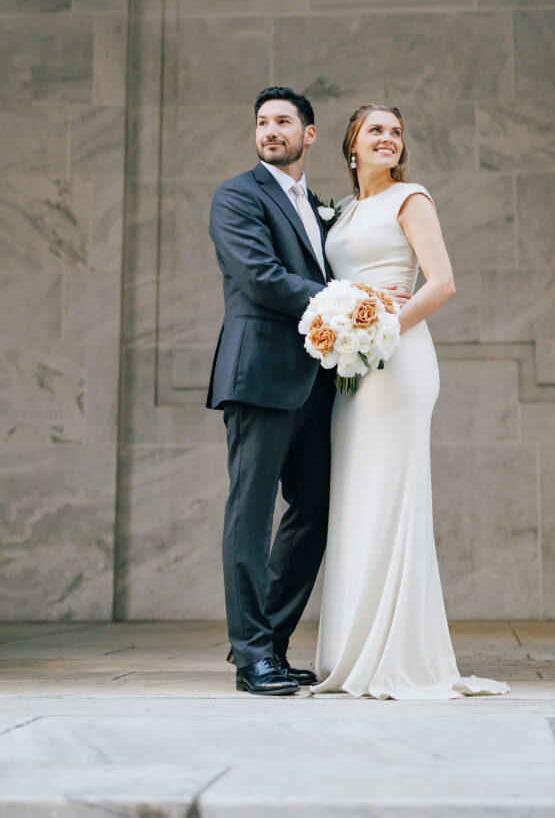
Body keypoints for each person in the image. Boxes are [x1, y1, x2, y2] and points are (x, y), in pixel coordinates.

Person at [312, 103, 510, 700]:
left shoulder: (411, 198)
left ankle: (396, 654)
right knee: (356, 493)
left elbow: (442, 282)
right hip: (353, 364)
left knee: (391, 493)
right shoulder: (341, 212)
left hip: (399, 360)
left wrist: (381, 323)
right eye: (375, 130)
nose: (388, 139)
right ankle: (353, 649)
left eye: (396, 133)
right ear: (351, 144)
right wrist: (345, 321)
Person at [206, 86, 335, 695]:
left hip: (317, 380)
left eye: (284, 122)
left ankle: (274, 646)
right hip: (258, 375)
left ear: (309, 135)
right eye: (262, 122)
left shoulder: (316, 204)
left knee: (314, 510)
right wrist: (345, 303)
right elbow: (260, 278)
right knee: (250, 517)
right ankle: (250, 656)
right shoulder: (237, 195)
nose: (271, 130)